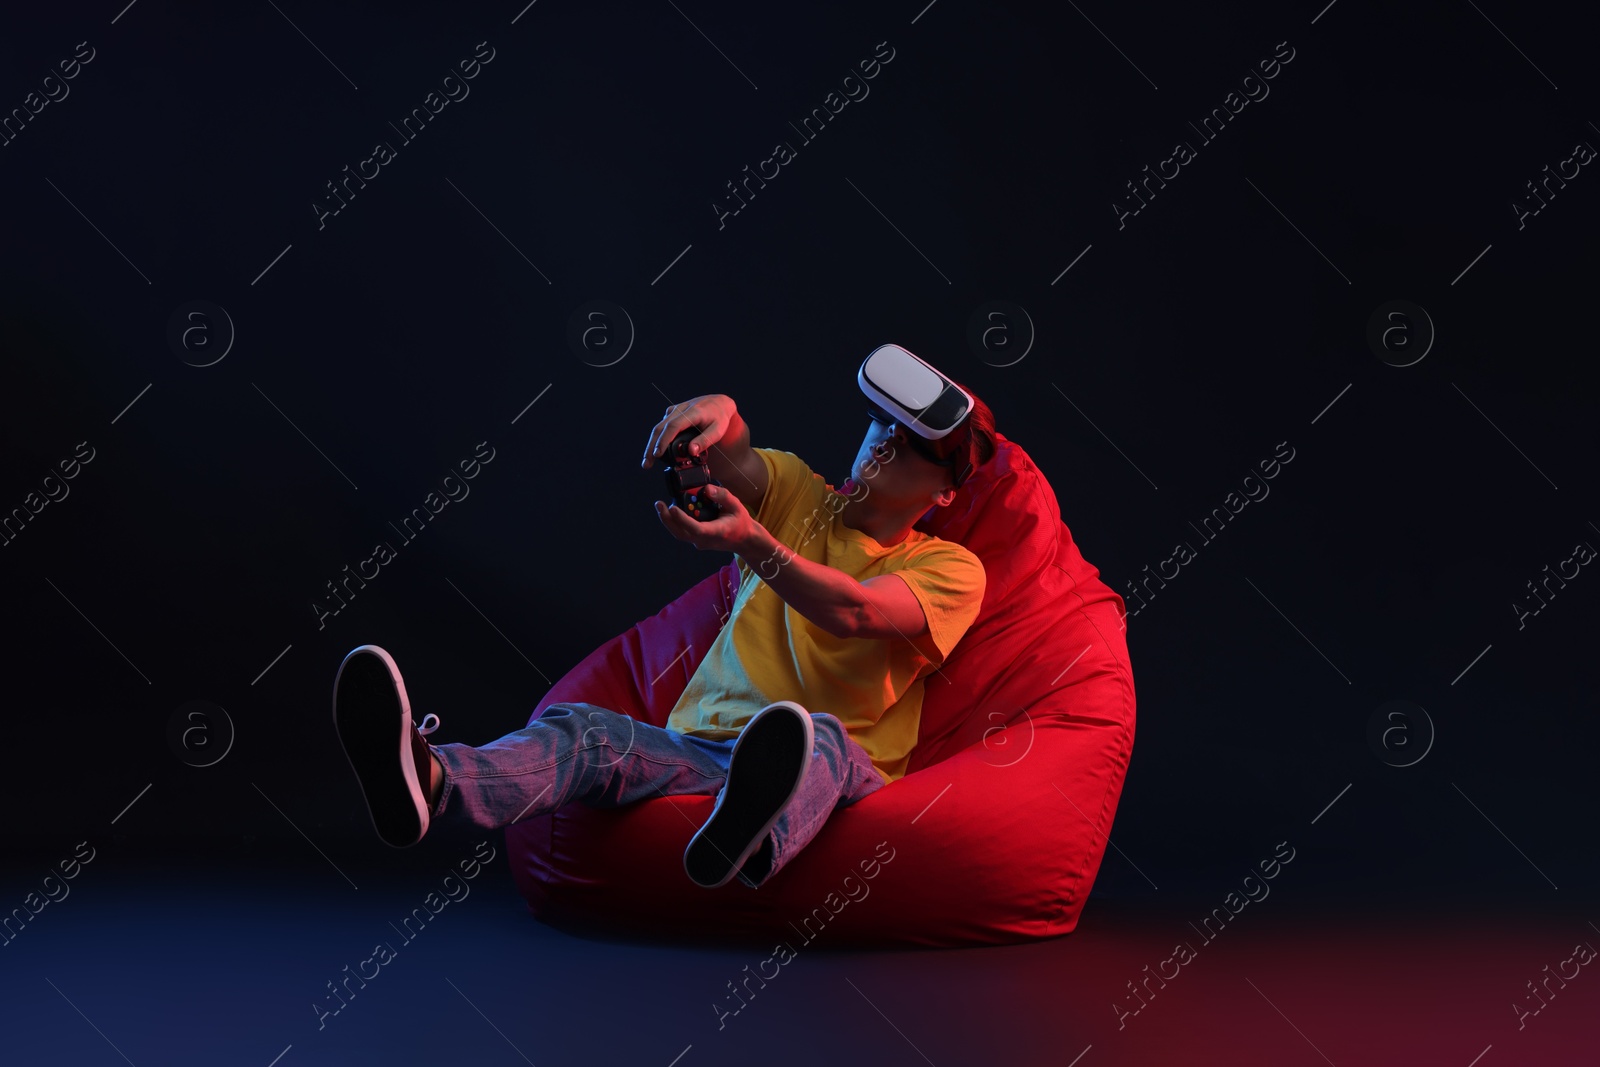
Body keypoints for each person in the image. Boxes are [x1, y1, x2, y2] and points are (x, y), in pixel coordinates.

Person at [334, 378, 994, 890]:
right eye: (882, 421)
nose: (885, 442)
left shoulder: (949, 568)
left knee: (812, 735)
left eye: (915, 446)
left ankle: (753, 838)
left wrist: (755, 544)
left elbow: (856, 613)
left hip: (839, 766)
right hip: (700, 750)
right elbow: (736, 462)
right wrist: (721, 417)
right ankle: (430, 779)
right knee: (586, 731)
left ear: (944, 492)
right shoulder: (798, 491)